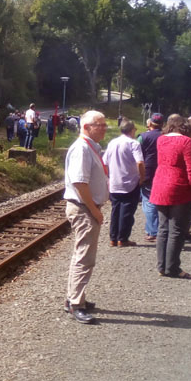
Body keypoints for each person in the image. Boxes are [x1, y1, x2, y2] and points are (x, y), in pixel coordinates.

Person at [63, 110, 109, 324]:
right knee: (85, 258)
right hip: (83, 208)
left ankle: (73, 296)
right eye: (100, 125)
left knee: (80, 255)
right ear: (86, 127)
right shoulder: (82, 149)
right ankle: (76, 304)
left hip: (85, 207)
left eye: (104, 124)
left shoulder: (89, 147)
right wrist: (94, 210)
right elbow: (80, 183)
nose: (104, 128)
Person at [150, 114, 191, 278]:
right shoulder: (186, 141)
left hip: (160, 185)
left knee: (163, 229)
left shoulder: (161, 140)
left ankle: (161, 266)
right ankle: (173, 268)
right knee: (176, 230)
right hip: (178, 187)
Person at [103, 117, 144, 247]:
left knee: (115, 211)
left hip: (114, 182)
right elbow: (140, 162)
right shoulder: (134, 144)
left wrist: (108, 177)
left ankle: (113, 238)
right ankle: (123, 238)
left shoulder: (112, 143)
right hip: (130, 182)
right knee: (127, 211)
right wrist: (142, 177)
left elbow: (104, 162)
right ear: (132, 130)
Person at [137, 113, 164, 241]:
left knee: (148, 201)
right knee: (160, 201)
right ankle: (159, 228)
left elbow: (137, 155)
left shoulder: (142, 137)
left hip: (147, 172)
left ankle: (153, 230)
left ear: (150, 123)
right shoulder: (165, 136)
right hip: (163, 171)